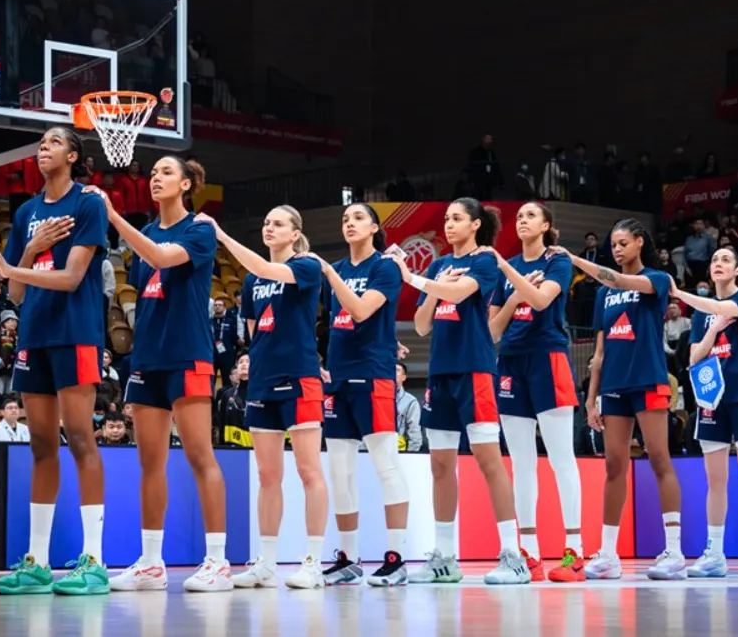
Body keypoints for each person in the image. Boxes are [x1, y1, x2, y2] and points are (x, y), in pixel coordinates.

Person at [90, 157, 231, 593]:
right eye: (152, 173)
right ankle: (152, 564)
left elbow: (161, 258)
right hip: (148, 360)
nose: (155, 178)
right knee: (149, 462)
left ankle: (218, 562)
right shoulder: (146, 233)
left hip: (188, 356)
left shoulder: (200, 229)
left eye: (165, 173)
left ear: (186, 184)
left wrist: (112, 215)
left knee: (199, 457)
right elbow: (148, 275)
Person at [0, 127, 111, 595]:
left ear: (73, 155)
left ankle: (94, 562)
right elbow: (14, 291)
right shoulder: (26, 212)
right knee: (41, 446)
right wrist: (31, 250)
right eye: (39, 145)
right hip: (34, 336)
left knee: (80, 439)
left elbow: (75, 277)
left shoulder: (88, 204)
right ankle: (37, 563)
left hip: (75, 333)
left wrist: (14, 265)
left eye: (53, 143)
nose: (43, 150)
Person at [392, 197, 528, 585]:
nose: (448, 225)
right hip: (440, 375)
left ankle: (512, 556)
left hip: (475, 371)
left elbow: (458, 294)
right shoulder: (438, 265)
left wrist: (413, 278)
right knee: (439, 466)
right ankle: (445, 558)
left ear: (475, 225)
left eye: (456, 219)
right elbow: (421, 325)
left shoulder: (485, 261)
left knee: (489, 461)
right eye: (447, 218)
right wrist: (433, 286)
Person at [198, 205, 328, 589]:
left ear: (295, 233)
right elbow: (256, 331)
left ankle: (313, 562)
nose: (269, 227)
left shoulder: (306, 266)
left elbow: (271, 270)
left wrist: (221, 235)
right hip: (263, 382)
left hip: (299, 378)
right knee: (268, 476)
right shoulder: (253, 282)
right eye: (266, 222)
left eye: (278, 224)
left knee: (308, 472)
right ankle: (267, 563)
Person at [557, 218, 685, 581]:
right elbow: (599, 351)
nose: (616, 248)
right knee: (614, 466)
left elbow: (623, 280)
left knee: (660, 458)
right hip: (613, 385)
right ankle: (609, 554)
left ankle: (674, 552)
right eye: (612, 243)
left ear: (640, 242)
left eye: (622, 242)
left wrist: (578, 261)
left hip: (648, 380)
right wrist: (591, 397)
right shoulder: (602, 294)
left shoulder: (658, 281)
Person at [309, 203, 409, 587]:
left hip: (373, 376)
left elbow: (364, 311)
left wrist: (331, 274)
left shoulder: (384, 267)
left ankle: (396, 558)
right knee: (340, 471)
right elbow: (336, 322)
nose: (349, 223)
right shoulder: (340, 269)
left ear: (374, 227)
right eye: (345, 218)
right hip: (338, 378)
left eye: (358, 218)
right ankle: (348, 559)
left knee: (385, 465)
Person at [486, 202, 584, 582]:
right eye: (519, 216)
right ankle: (528, 554)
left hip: (548, 358)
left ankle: (573, 553)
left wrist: (509, 273)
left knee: (561, 458)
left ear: (546, 225)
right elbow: (492, 330)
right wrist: (511, 296)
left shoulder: (557, 260)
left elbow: (543, 300)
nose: (522, 220)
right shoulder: (506, 269)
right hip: (511, 362)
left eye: (531, 215)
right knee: (521, 463)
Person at [669, 247, 738, 579]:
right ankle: (714, 553)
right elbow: (693, 358)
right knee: (715, 480)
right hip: (712, 400)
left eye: (725, 261)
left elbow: (721, 307)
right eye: (714, 260)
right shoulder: (705, 314)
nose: (718, 264)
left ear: (737, 270)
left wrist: (679, 293)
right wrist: (714, 328)